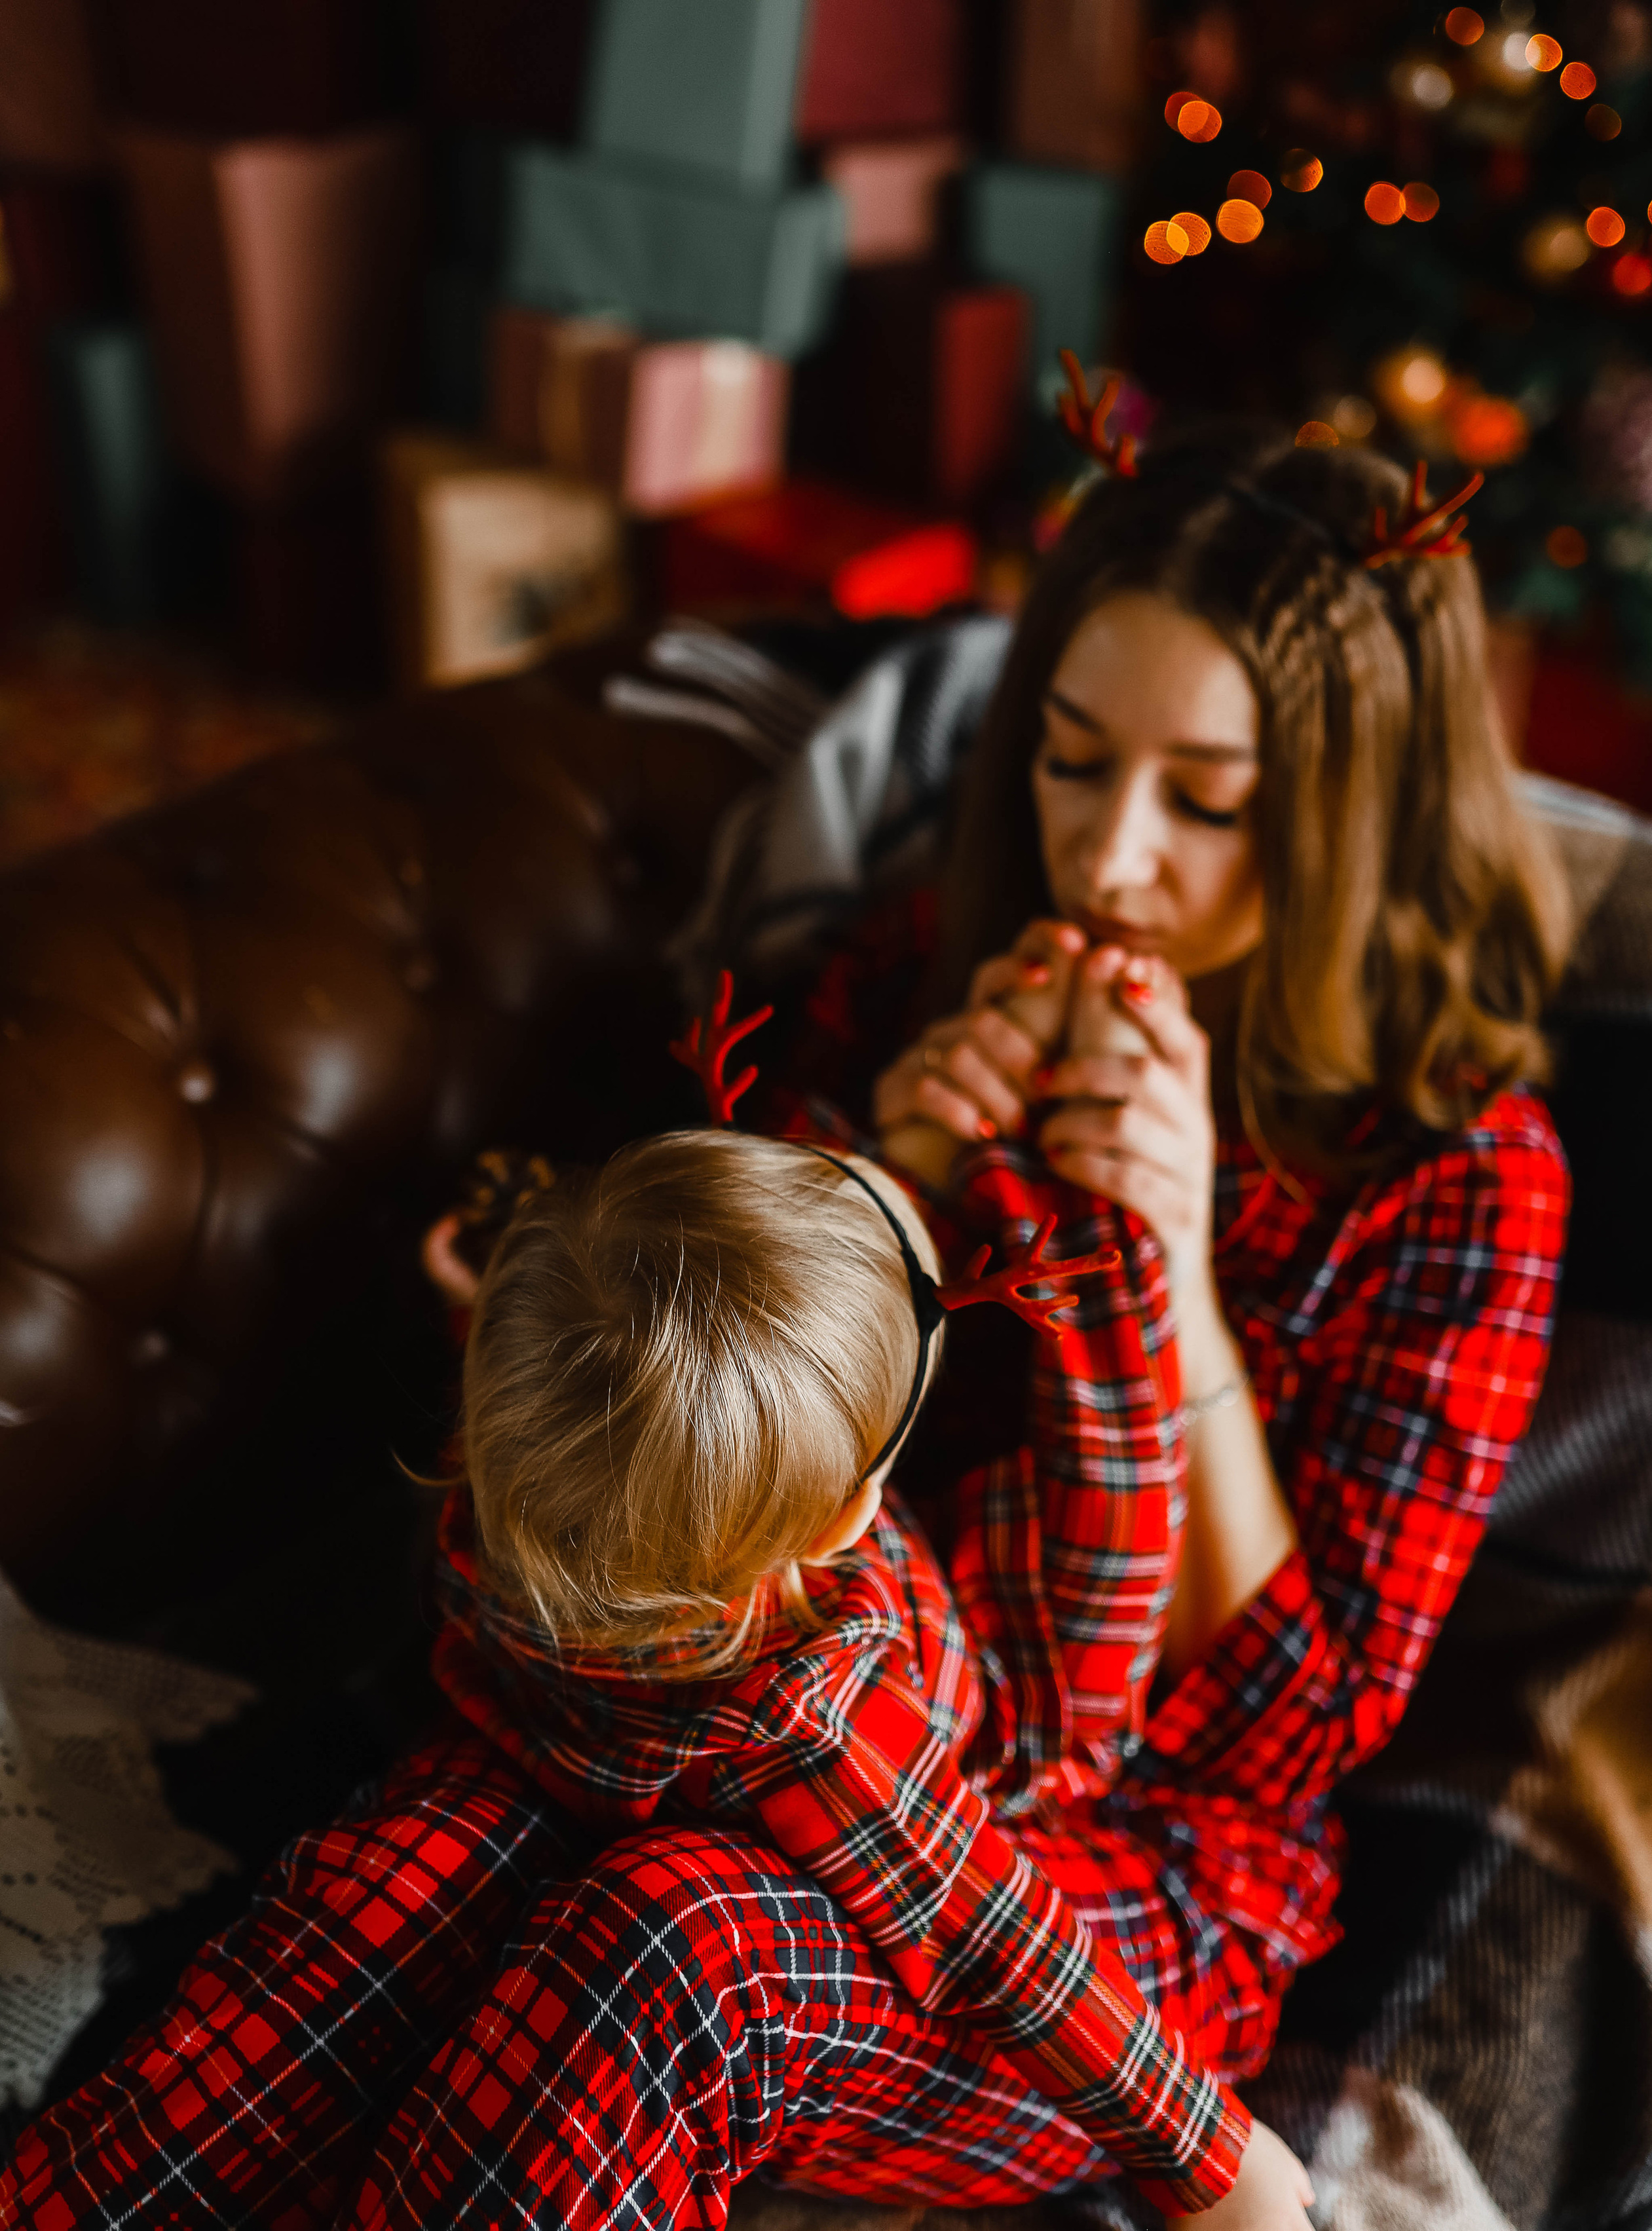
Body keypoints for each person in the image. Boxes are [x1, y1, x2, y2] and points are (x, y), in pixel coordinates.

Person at [1, 420, 1569, 2228]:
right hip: (731, 1673)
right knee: (412, 1880)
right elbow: (703, 1391)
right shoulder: (914, 970)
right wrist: (887, 1164)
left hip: (1109, 1860)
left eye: (1208, 802)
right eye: (1072, 762)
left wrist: (1179, 1261)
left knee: (667, 1943)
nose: (1112, 860)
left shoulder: (1462, 1175)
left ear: (1354, 805)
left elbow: (1292, 1730)